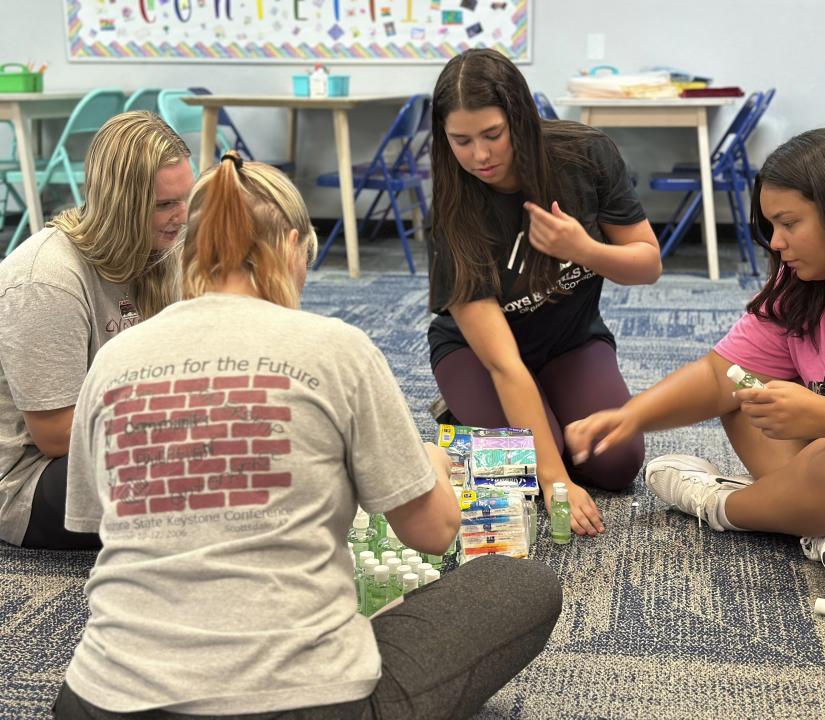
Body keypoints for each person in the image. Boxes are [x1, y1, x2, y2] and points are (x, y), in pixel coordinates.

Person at [55, 153, 562, 718]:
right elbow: (434, 533)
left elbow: (100, 526)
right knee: (521, 585)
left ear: (187, 252)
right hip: (301, 703)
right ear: (293, 246)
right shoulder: (336, 348)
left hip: (99, 698)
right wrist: (431, 466)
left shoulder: (115, 358)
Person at [566, 127, 825, 592]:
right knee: (749, 392)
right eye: (771, 227)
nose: (775, 242)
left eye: (789, 224)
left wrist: (823, 414)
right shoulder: (804, 277)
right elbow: (721, 376)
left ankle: (725, 505)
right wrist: (632, 417)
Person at [427, 49, 662, 537]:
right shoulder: (453, 214)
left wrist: (584, 248)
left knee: (617, 464)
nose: (481, 155)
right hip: (480, 357)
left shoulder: (586, 155)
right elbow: (504, 364)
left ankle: (527, 429)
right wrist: (555, 479)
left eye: (492, 135)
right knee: (533, 475)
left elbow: (648, 266)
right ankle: (464, 422)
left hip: (570, 341)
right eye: (461, 141)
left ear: (521, 118)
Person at [0, 111, 192, 551]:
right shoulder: (45, 278)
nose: (182, 217)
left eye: (186, 199)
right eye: (165, 205)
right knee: (189, 472)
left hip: (119, 436)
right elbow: (54, 436)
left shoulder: (160, 249)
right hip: (29, 481)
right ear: (119, 203)